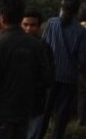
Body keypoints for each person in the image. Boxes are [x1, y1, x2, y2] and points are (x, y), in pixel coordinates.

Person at [0, 0, 50, 139]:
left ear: (2, 18)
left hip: (3, 111)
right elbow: (46, 78)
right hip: (26, 110)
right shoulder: (35, 45)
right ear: (21, 17)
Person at [41, 0, 86, 139]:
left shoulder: (51, 23)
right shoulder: (80, 30)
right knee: (62, 115)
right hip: (69, 77)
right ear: (77, 11)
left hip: (49, 75)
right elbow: (82, 59)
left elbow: (43, 46)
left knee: (44, 111)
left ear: (61, 8)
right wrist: (84, 78)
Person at [21, 9, 54, 139]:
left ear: (39, 27)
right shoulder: (12, 45)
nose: (28, 28)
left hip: (36, 102)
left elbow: (48, 76)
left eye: (32, 25)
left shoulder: (44, 48)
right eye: (25, 25)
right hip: (14, 104)